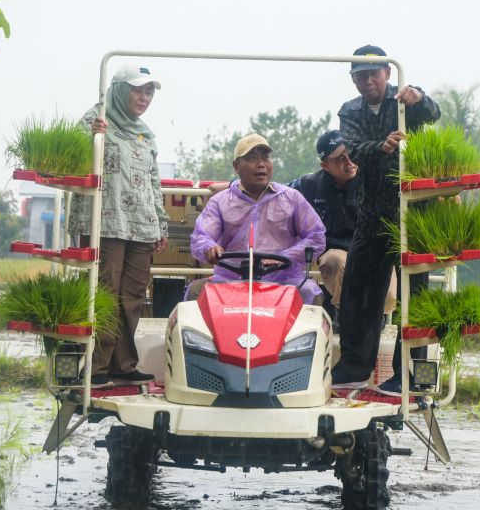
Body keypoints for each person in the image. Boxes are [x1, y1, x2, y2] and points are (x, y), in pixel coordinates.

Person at [331, 44, 441, 391]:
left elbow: (433, 113)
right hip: (373, 211)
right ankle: (353, 365)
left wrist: (419, 97)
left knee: (417, 297)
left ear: (387, 74)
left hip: (413, 214)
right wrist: (382, 145)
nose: (367, 82)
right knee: (358, 290)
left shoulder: (405, 100)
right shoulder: (349, 110)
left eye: (373, 74)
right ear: (353, 80)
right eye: (359, 76)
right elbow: (352, 146)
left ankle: (414, 377)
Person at [68, 63, 169, 387]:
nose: (144, 98)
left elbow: (152, 183)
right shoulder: (94, 121)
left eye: (149, 92)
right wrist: (92, 137)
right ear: (120, 90)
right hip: (105, 223)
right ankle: (96, 368)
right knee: (105, 293)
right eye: (138, 90)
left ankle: (124, 365)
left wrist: (160, 225)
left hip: (140, 225)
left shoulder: (145, 134)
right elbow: (70, 158)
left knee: (132, 296)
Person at [188, 133, 326, 304]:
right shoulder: (220, 201)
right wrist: (209, 247)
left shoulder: (292, 198)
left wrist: (285, 256)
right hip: (231, 280)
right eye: (252, 158)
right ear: (236, 166)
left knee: (310, 292)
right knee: (195, 292)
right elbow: (201, 236)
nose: (261, 164)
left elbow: (316, 237)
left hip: (285, 281)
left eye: (265, 157)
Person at [287, 130, 396, 320]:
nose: (349, 162)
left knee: (388, 296)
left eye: (351, 154)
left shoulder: (373, 177)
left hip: (375, 250)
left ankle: (374, 319)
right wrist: (232, 185)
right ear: (325, 165)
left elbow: (408, 190)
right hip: (336, 253)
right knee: (334, 261)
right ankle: (346, 315)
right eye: (340, 159)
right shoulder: (310, 184)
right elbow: (273, 191)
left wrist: (444, 196)